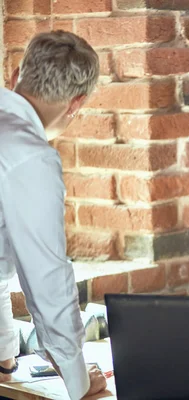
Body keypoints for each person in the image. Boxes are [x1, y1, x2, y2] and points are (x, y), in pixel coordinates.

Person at [0, 31, 106, 398]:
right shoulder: (30, 155)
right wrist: (77, 380)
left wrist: (4, 355)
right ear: (76, 104)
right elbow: (46, 276)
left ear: (14, 76)